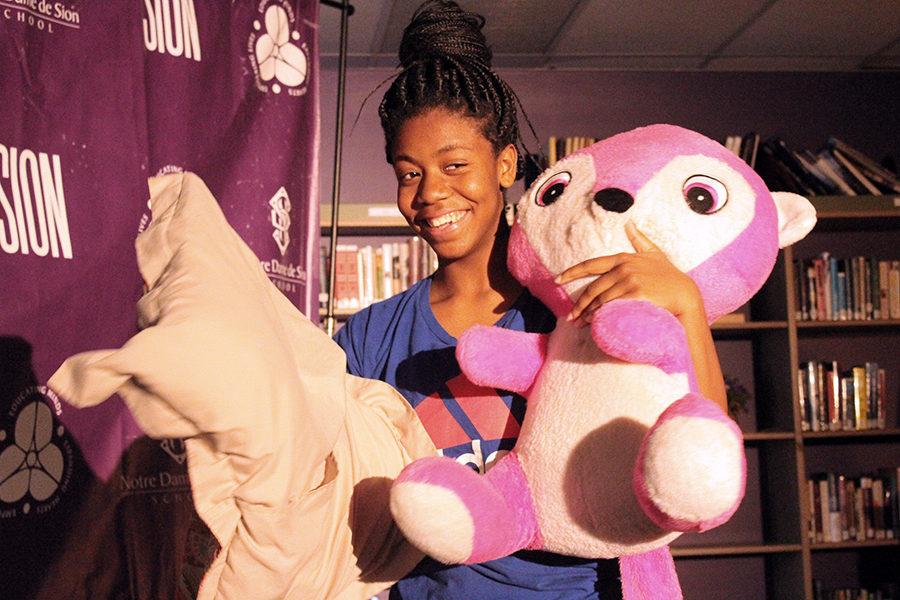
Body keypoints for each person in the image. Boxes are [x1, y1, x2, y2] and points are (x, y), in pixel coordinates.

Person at [334, 1, 727, 598]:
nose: (431, 193)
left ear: (506, 164)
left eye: (455, 165)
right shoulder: (368, 338)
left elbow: (698, 449)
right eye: (408, 173)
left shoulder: (581, 313)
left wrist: (687, 307)